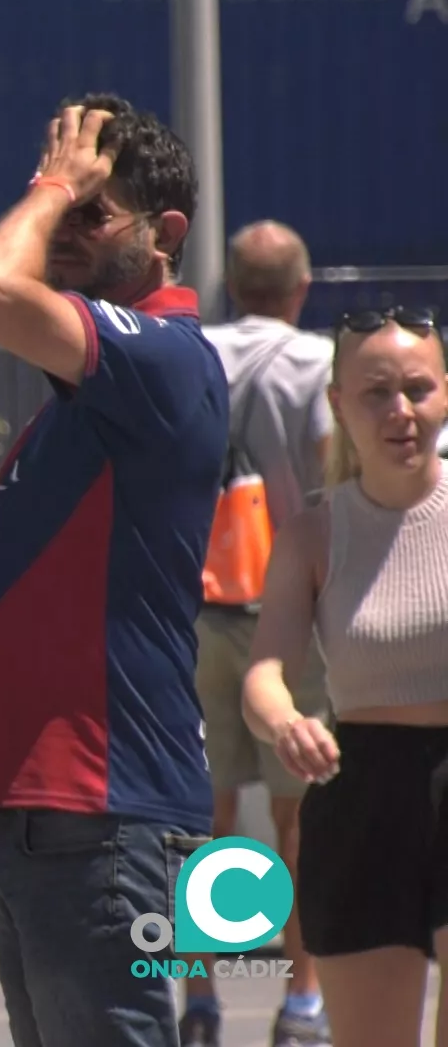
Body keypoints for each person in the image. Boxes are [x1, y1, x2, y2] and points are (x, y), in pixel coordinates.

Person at [0, 93, 228, 1047]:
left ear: (166, 235)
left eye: (89, 213)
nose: (60, 229)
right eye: (56, 211)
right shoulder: (85, 400)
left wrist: (51, 179)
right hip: (53, 821)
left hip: (100, 823)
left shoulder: (168, 360)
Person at [240, 306, 448, 1047]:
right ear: (336, 404)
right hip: (361, 793)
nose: (401, 411)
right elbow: (266, 671)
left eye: (418, 389)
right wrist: (286, 721)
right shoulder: (314, 534)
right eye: (375, 392)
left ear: (447, 393)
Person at [186, 220, 334, 1047]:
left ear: (232, 288)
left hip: (199, 609)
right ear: (301, 288)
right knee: (297, 816)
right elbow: (333, 477)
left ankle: (201, 998)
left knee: (205, 817)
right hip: (295, 619)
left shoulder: (196, 354)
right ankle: (302, 998)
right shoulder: (317, 365)